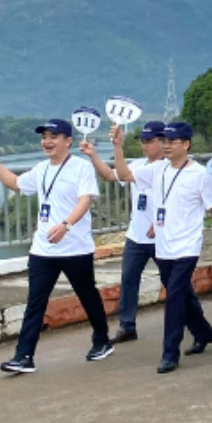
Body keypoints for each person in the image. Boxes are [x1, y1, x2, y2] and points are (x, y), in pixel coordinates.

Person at [0, 119, 113, 373]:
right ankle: (24, 356)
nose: (47, 141)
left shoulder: (80, 168)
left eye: (54, 136)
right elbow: (15, 183)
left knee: (87, 295)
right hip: (43, 249)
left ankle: (102, 339)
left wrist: (66, 225)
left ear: (68, 141)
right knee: (35, 302)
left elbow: (85, 200)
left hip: (75, 248)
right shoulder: (41, 169)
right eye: (44, 137)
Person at [113, 122, 212, 374]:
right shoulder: (157, 169)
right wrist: (117, 147)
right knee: (182, 295)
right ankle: (204, 332)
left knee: (174, 298)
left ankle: (170, 353)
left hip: (187, 246)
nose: (165, 145)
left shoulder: (199, 174)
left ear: (186, 144)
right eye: (163, 141)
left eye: (171, 141)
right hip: (163, 245)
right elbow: (123, 175)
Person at [80, 121, 168, 344]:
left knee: (175, 283)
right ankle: (127, 326)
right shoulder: (137, 164)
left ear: (162, 141)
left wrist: (161, 222)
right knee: (128, 279)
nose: (144, 146)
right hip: (136, 236)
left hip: (163, 236)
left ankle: (194, 320)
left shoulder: (171, 168)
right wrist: (93, 155)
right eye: (143, 141)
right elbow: (112, 176)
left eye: (149, 141)